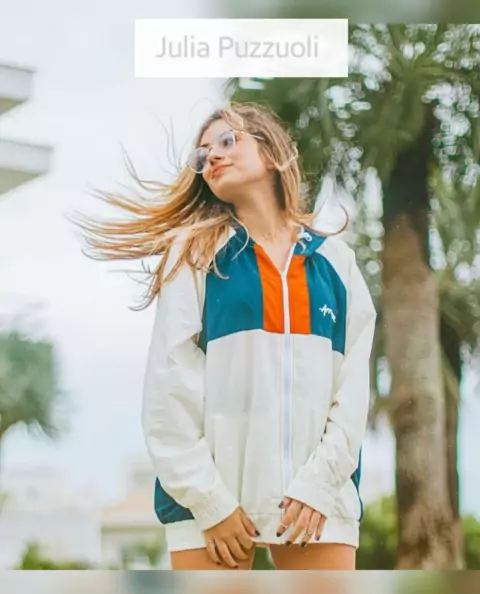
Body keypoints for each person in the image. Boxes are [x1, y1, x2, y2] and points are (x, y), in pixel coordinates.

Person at [76, 102, 377, 570]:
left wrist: (320, 485)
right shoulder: (194, 254)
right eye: (202, 155)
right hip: (209, 510)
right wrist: (210, 502)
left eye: (227, 141)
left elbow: (353, 391)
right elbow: (168, 390)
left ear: (272, 153)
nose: (211, 157)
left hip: (317, 505)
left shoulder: (336, 263)